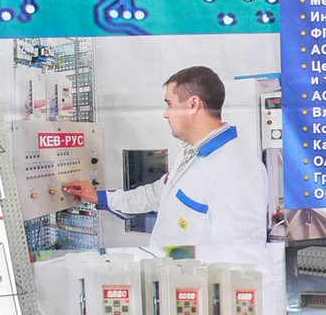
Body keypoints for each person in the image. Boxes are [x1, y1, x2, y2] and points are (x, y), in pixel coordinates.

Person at [63, 67, 267, 248]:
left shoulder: (237, 169)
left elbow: (240, 254)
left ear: (193, 105)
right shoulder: (190, 152)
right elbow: (156, 194)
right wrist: (98, 197)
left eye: (170, 104)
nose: (166, 114)